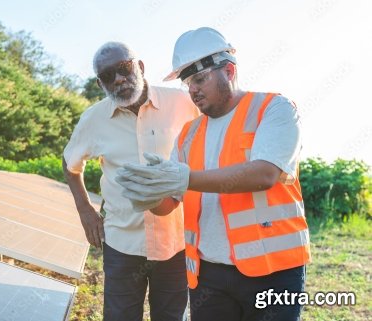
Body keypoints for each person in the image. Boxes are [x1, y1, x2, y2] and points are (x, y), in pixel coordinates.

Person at [116, 27, 310, 321]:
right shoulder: (188, 135)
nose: (192, 89)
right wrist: (147, 196)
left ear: (229, 71)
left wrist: (186, 178)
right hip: (208, 275)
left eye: (200, 78)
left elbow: (265, 173)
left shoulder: (273, 109)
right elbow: (169, 203)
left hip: (274, 271)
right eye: (187, 82)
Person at [62, 41, 199, 321]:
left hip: (175, 240)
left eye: (124, 69)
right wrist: (85, 209)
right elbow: (70, 162)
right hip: (122, 243)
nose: (120, 80)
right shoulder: (93, 119)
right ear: (101, 83)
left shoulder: (182, 104)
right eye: (109, 76)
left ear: (141, 67)